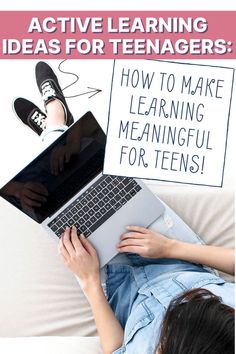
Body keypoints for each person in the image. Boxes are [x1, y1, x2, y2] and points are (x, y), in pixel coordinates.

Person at [6, 61, 235, 354]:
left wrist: (89, 281)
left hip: (120, 285)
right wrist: (168, 248)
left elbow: (116, 348)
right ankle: (57, 126)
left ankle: (55, 118)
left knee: (54, 196)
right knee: (105, 173)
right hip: (175, 253)